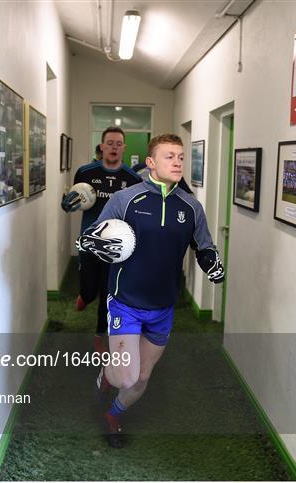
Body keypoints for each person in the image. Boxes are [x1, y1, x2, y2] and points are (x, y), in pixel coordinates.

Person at [77, 133, 224, 448]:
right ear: (150, 162)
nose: (177, 162)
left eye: (181, 157)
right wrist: (97, 243)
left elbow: (204, 246)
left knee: (142, 377)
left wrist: (211, 263)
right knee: (125, 377)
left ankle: (113, 415)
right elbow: (94, 234)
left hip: (163, 305)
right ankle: (106, 376)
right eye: (169, 156)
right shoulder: (125, 199)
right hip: (125, 301)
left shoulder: (191, 206)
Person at [61, 127, 141, 354]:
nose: (114, 147)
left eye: (118, 143)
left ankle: (100, 335)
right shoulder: (85, 173)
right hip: (89, 243)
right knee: (89, 289)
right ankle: (85, 295)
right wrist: (66, 204)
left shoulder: (132, 179)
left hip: (116, 248)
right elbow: (72, 203)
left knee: (108, 293)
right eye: (110, 143)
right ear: (102, 146)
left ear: (124, 148)